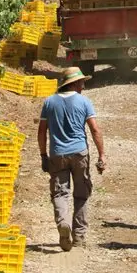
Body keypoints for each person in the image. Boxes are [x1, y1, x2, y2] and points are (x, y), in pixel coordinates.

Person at [38, 66, 106, 251]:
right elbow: (95, 130)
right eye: (82, 82)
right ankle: (79, 236)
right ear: (74, 83)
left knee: (60, 193)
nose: (83, 85)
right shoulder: (84, 102)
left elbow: (42, 131)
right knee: (82, 195)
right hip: (79, 154)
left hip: (57, 154)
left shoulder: (49, 102)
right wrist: (102, 155)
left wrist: (43, 155)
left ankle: (63, 222)